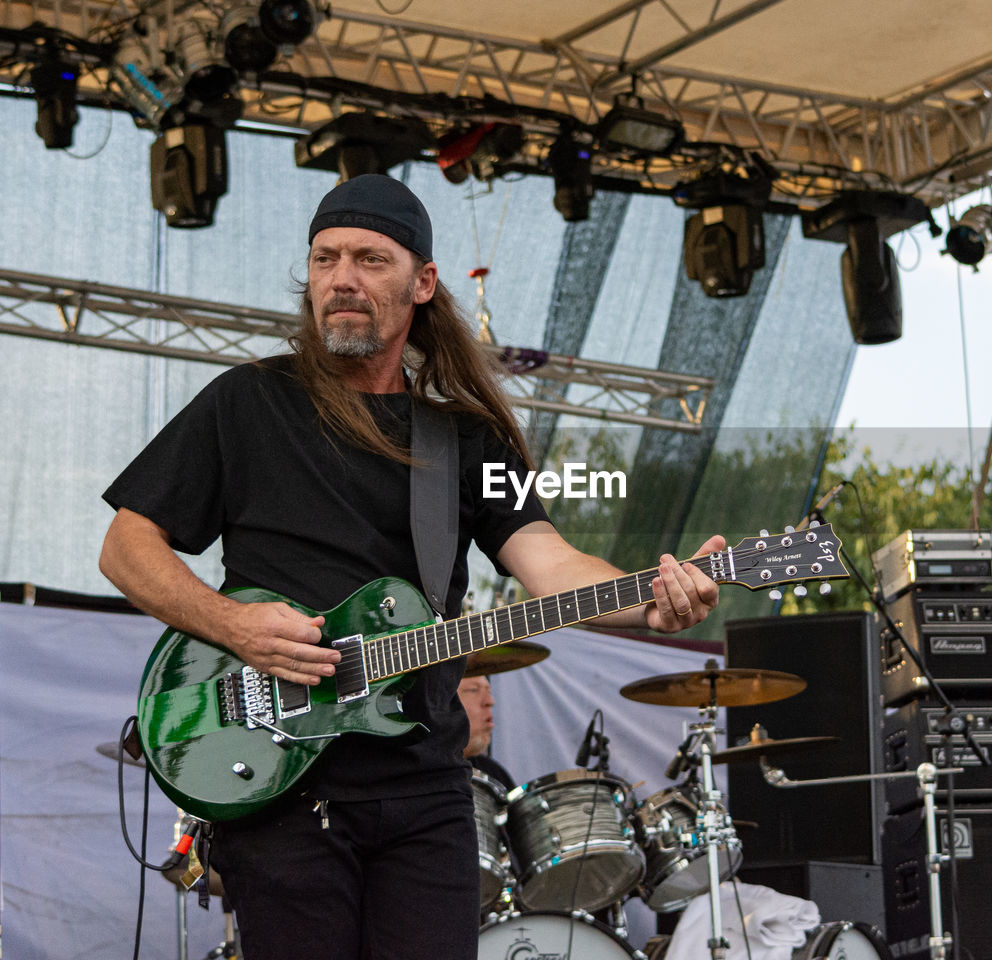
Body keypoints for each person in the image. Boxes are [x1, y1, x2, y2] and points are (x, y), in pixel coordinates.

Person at [98, 173, 722, 960]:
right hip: (284, 781)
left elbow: (553, 565)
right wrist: (235, 626)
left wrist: (651, 600)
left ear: (423, 282)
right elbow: (126, 545)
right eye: (325, 260)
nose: (342, 279)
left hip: (424, 791)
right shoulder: (246, 403)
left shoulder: (463, 439)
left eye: (369, 259)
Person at [458, 672, 515, 790]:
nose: (490, 701)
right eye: (473, 690)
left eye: (489, 692)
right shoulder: (418, 769)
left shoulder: (495, 774)